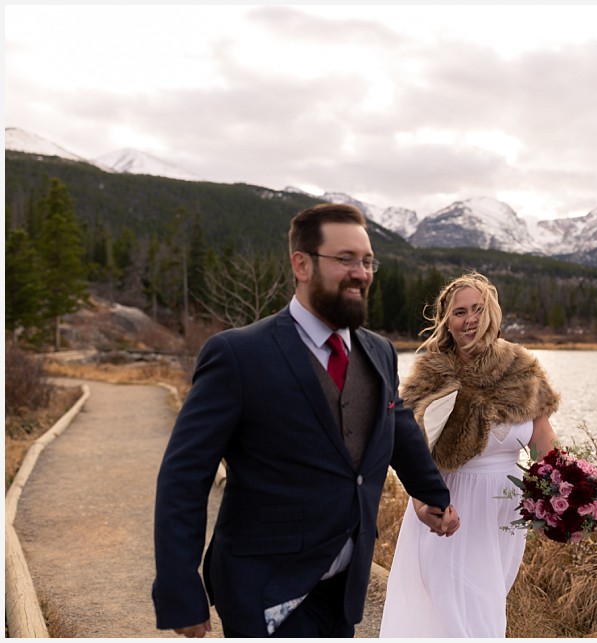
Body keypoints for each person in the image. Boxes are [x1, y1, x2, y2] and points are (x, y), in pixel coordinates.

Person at [152, 203, 459, 638]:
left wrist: (433, 495)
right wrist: (179, 589)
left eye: (368, 261)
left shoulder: (379, 352)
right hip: (265, 589)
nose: (362, 272)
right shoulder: (237, 356)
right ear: (301, 264)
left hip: (343, 587)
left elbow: (399, 426)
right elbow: (184, 476)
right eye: (345, 259)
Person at [379, 272, 560, 638]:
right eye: (460, 312)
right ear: (447, 322)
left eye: (478, 309)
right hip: (449, 511)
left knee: (488, 609)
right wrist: (420, 504)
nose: (470, 319)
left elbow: (542, 441)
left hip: (504, 518)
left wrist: (565, 492)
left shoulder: (522, 370)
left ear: (492, 313)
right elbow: (410, 451)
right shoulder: (430, 377)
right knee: (457, 615)